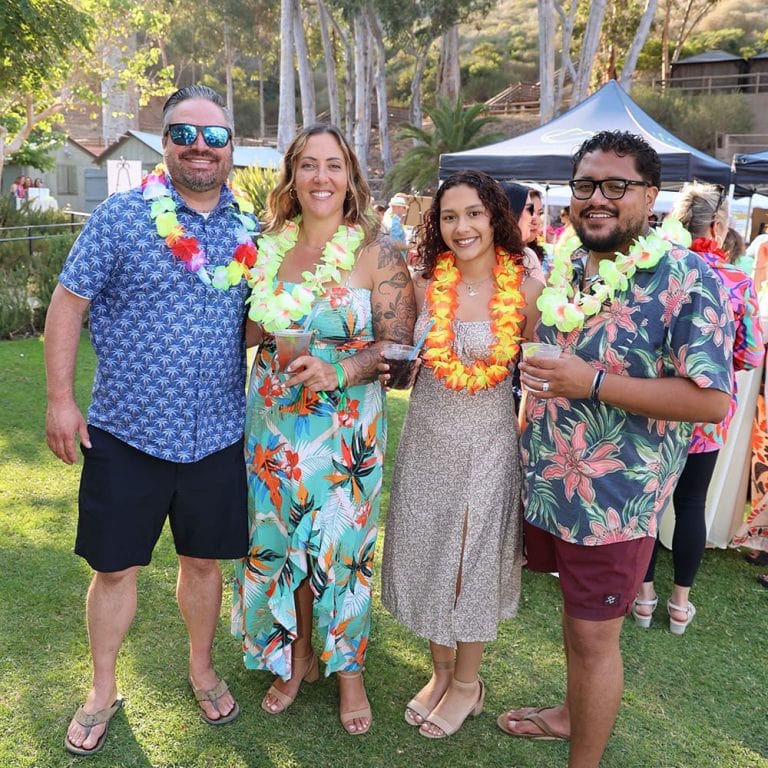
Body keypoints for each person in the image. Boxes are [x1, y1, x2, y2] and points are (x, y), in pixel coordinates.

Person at [497, 131, 734, 767]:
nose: (596, 198)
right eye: (584, 185)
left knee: (593, 637)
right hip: (551, 485)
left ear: (650, 196)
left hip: (616, 504)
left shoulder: (688, 278)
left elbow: (712, 400)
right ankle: (571, 715)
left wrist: (594, 382)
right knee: (573, 625)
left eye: (615, 186)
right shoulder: (570, 265)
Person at [45, 84, 255, 756]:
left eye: (213, 136)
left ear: (232, 148)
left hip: (216, 435)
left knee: (202, 565)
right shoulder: (121, 217)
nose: (199, 146)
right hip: (127, 432)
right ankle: (102, 688)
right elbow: (68, 303)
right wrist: (59, 399)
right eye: (184, 133)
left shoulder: (248, 231)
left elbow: (254, 322)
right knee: (115, 570)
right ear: (164, 142)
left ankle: (200, 667)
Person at [231, 123, 416, 736]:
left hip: (345, 429)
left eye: (333, 165)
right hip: (274, 423)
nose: (320, 178)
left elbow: (399, 343)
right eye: (308, 165)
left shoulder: (379, 252)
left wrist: (341, 368)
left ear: (351, 177)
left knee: (341, 548)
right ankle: (295, 656)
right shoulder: (267, 246)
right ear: (292, 175)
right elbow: (248, 330)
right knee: (283, 540)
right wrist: (258, 324)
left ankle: (350, 675)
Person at [381, 170, 543, 740]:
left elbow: (542, 370)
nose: (462, 227)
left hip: (487, 443)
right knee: (431, 550)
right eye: (449, 216)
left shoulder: (525, 287)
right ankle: (441, 672)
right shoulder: (427, 282)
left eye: (473, 213)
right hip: (427, 438)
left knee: (470, 561)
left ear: (495, 216)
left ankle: (469, 686)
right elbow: (399, 357)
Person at [632, 182, 763, 634]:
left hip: (653, 408)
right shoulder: (736, 280)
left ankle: (644, 596)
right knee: (691, 503)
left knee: (650, 503)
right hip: (705, 415)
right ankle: (680, 605)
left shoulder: (656, 271)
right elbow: (751, 353)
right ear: (719, 226)